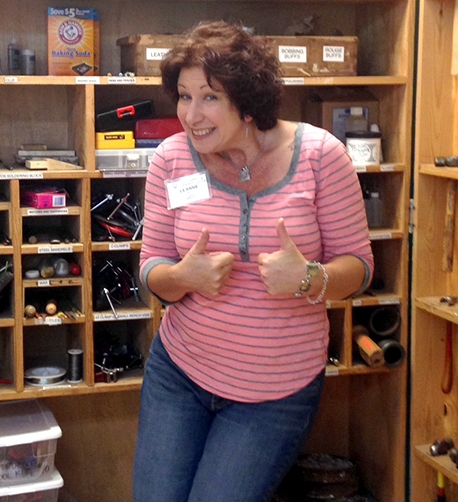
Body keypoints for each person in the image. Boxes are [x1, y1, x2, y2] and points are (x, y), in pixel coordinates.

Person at [133, 21, 374, 502]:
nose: (191, 114)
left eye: (209, 97)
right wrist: (181, 278)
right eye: (183, 96)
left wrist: (309, 278)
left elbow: (360, 267)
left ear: (247, 101)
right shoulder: (171, 159)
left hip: (275, 393)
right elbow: (151, 266)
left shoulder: (322, 156)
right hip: (180, 373)